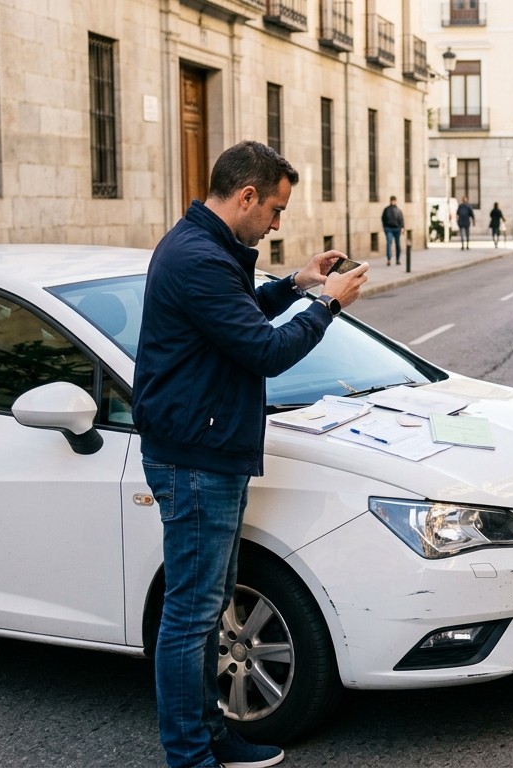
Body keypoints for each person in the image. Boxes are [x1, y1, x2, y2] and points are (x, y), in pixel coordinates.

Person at [132, 140, 368, 768]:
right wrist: (329, 306)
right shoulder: (199, 258)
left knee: (207, 611)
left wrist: (296, 283)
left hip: (209, 451)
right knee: (191, 615)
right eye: (275, 210)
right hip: (196, 458)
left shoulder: (207, 249)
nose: (277, 222)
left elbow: (238, 318)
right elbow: (263, 351)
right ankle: (189, 755)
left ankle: (213, 736)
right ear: (246, 197)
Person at [380, 195, 404, 265]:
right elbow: (383, 219)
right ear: (390, 201)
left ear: (396, 201)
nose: (393, 202)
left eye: (394, 200)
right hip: (388, 229)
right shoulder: (386, 209)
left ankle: (398, 259)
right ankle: (389, 259)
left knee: (398, 245)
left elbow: (401, 220)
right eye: (392, 200)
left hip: (397, 229)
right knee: (389, 243)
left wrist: (402, 228)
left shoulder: (399, 210)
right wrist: (385, 227)